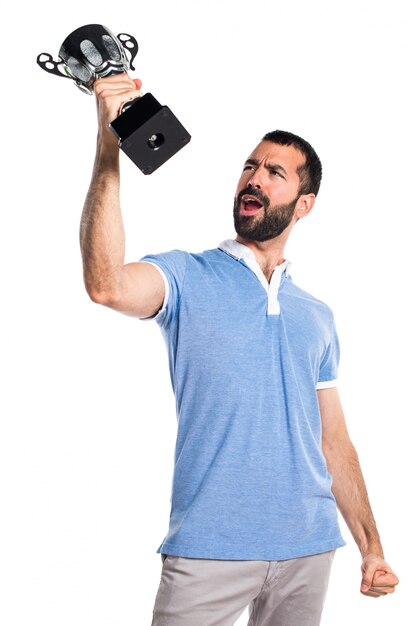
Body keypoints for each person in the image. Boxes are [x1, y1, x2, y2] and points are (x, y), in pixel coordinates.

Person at [80, 73, 399, 626]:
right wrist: (109, 144)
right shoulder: (186, 275)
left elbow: (334, 441)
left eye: (275, 173)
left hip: (309, 546)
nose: (254, 179)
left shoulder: (316, 315)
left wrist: (371, 548)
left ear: (304, 205)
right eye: (250, 167)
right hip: (207, 547)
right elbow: (105, 284)